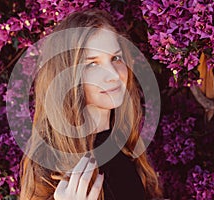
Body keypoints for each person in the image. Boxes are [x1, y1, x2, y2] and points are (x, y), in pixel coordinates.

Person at [20, 9, 162, 200]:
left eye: (115, 58)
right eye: (92, 64)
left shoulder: (124, 144)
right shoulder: (51, 163)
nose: (113, 74)